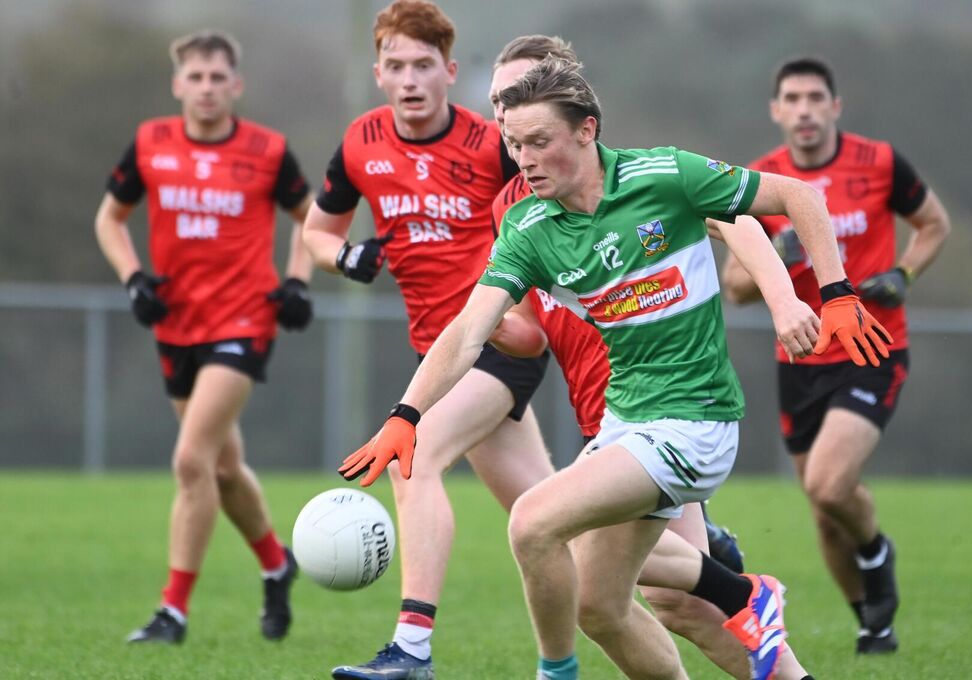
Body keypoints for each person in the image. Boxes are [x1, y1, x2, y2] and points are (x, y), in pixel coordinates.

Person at [339, 57, 889, 680]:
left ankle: (558, 672)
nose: (524, 159)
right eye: (514, 144)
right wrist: (406, 414)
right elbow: (471, 330)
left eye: (540, 142)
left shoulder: (664, 176)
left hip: (693, 421)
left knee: (532, 522)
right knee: (600, 604)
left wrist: (833, 294)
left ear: (586, 130)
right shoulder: (528, 225)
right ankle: (758, 621)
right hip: (624, 422)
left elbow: (797, 195)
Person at [485, 37, 807, 680]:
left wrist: (783, 299)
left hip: (666, 409)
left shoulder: (637, 178)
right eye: (497, 102)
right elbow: (528, 332)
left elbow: (736, 217)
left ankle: (737, 589)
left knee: (667, 600)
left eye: (519, 96)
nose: (505, 115)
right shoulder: (514, 211)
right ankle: (734, 587)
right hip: (607, 415)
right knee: (609, 599)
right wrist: (480, 327)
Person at [300, 4, 555, 678]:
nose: (410, 80)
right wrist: (342, 259)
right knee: (548, 518)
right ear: (377, 73)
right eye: (396, 66)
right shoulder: (361, 142)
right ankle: (699, 562)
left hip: (504, 338)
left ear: (449, 71)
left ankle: (411, 648)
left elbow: (565, 207)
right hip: (438, 357)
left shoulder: (492, 143)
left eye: (423, 66)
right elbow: (315, 234)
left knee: (413, 455)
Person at [721, 56, 952, 654]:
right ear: (776, 111)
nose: (803, 110)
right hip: (800, 358)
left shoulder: (878, 162)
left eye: (814, 98)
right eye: (791, 99)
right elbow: (736, 289)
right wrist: (780, 245)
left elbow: (934, 224)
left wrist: (904, 272)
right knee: (824, 515)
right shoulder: (760, 180)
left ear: (834, 107)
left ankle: (876, 550)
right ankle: (872, 623)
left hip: (873, 344)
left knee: (828, 484)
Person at [95, 30, 314, 644]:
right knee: (222, 468)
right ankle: (277, 564)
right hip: (174, 323)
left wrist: (296, 280)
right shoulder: (150, 143)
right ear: (178, 85)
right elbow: (109, 218)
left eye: (219, 78)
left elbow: (311, 216)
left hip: (244, 322)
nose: (208, 88)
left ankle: (173, 612)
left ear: (235, 85)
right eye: (196, 78)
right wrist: (133, 276)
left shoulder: (267, 151)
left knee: (191, 461)